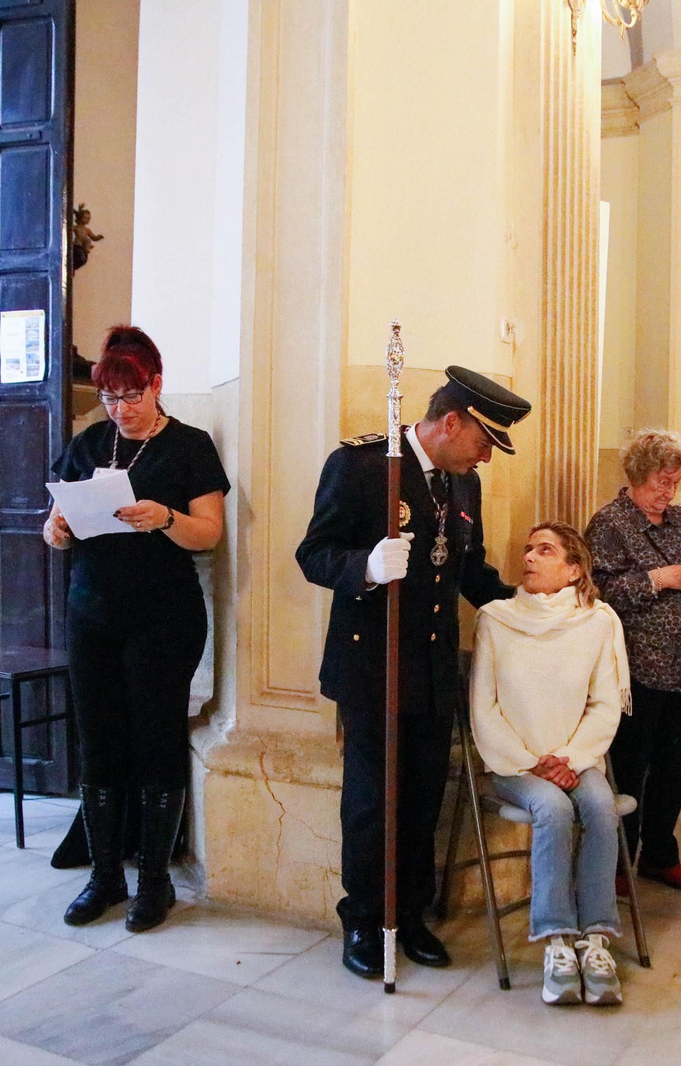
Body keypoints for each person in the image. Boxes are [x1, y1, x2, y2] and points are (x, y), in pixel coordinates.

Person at [297, 367, 531, 979]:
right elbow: (313, 554)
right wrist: (366, 566)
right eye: (484, 442)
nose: (486, 456)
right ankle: (366, 919)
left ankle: (413, 914)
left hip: (431, 666)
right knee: (373, 802)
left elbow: (468, 570)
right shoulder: (362, 465)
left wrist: (525, 609)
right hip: (372, 664)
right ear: (451, 422)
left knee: (425, 796)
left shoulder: (463, 485)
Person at [43, 326, 229, 933]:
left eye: (130, 397)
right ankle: (104, 879)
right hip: (92, 613)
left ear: (156, 384)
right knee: (99, 743)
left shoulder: (190, 446)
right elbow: (54, 521)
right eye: (109, 399)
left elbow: (210, 532)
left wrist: (165, 516)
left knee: (154, 742)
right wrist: (57, 531)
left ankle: (155, 884)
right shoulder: (89, 443)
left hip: (163, 619)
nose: (119, 411)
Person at [471, 522, 629, 1006]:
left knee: (601, 809)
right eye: (527, 550)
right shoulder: (496, 618)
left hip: (576, 760)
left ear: (574, 568)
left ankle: (595, 941)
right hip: (516, 766)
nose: (530, 558)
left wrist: (573, 758)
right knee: (554, 810)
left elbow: (605, 704)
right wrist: (529, 762)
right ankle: (558, 943)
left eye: (545, 550)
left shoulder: (599, 622)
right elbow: (484, 706)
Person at [585, 429, 681, 893]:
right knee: (630, 766)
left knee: (676, 765)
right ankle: (619, 860)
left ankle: (660, 854)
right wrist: (661, 577)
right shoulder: (610, 523)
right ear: (636, 476)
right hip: (637, 668)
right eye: (660, 482)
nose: (668, 492)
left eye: (675, 483)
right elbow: (598, 592)